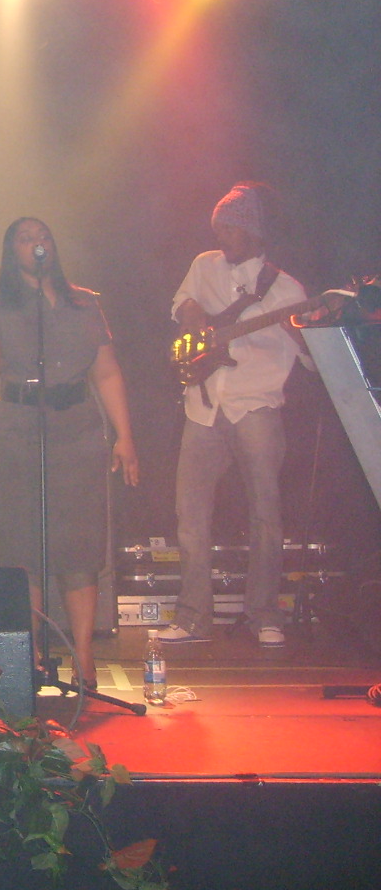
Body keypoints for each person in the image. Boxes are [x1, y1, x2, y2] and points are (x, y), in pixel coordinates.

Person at [0, 217, 139, 691]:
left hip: (77, 426)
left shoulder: (85, 303)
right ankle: (33, 654)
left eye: (43, 236)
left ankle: (84, 658)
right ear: (11, 251)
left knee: (80, 544)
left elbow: (107, 372)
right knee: (22, 544)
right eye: (25, 238)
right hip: (19, 427)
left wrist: (124, 435)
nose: (37, 243)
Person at [157, 182, 308, 649]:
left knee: (265, 514)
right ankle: (193, 617)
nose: (221, 236)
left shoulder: (287, 289)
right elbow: (180, 304)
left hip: (255, 405)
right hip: (202, 406)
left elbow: (312, 359)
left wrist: (300, 330)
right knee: (190, 516)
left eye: (230, 228)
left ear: (254, 230)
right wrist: (192, 311)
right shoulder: (204, 265)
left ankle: (265, 614)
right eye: (218, 227)